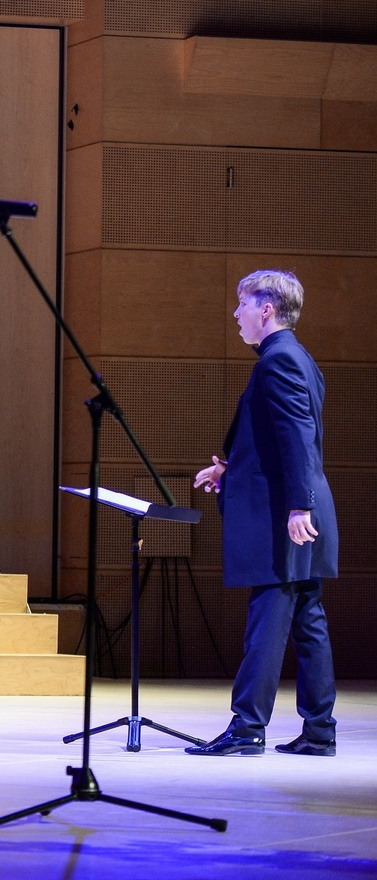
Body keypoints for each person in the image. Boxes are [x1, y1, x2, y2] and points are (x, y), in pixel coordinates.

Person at [185, 270, 339, 757]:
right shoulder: (297, 357)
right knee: (308, 620)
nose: (236, 314)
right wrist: (230, 470)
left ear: (266, 309)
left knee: (268, 622)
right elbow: (278, 442)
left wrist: (299, 506)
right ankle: (320, 732)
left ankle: (248, 727)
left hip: (288, 516)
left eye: (243, 304)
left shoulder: (279, 360)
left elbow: (298, 437)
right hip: (298, 508)